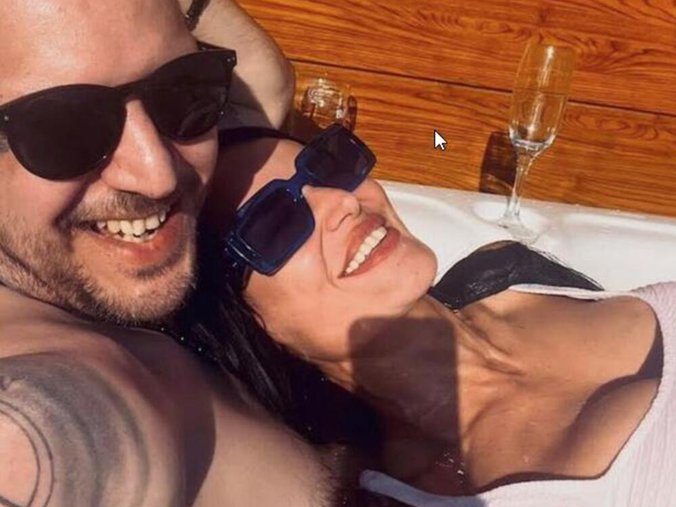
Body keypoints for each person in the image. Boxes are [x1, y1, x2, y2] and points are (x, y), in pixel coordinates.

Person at [211, 125, 675, 506]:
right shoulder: (417, 490)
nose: (343, 201)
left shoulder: (509, 272)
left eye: (329, 169)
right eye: (275, 222)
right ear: (249, 325)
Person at [0, 1, 339, 505]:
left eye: (183, 89)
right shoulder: (43, 409)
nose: (157, 175)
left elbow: (265, 80)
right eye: (66, 127)